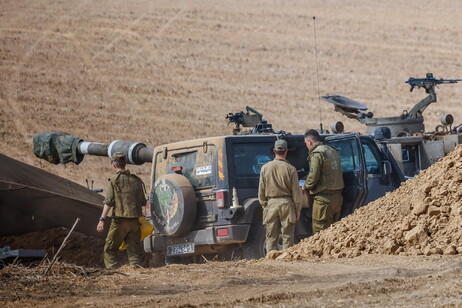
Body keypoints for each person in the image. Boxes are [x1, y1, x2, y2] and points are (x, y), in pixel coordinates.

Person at [96, 152, 146, 269]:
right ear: (124, 164)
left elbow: (108, 202)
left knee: (109, 249)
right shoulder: (136, 180)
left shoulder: (114, 180)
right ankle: (136, 274)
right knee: (134, 253)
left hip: (120, 222)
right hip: (135, 222)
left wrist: (101, 219)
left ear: (114, 165)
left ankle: (113, 273)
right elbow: (144, 202)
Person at [258, 139, 302, 255]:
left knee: (271, 237)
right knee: (288, 237)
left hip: (271, 204)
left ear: (274, 151)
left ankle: (271, 261)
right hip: (287, 205)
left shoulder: (265, 168)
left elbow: (261, 192)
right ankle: (286, 261)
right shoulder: (291, 169)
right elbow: (297, 193)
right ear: (286, 151)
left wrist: (265, 206)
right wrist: (297, 210)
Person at [302, 129, 344, 234]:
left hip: (323, 200)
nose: (307, 146)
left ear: (309, 142)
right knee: (334, 232)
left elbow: (313, 176)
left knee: (319, 232)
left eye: (306, 144)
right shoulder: (332, 150)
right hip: (338, 198)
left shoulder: (317, 154)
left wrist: (305, 186)